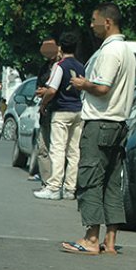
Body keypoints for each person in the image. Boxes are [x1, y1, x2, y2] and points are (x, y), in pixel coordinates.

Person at [60, 2, 136, 256]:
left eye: (94, 20)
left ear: (107, 22)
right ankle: (110, 241)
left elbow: (103, 88)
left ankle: (91, 238)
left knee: (90, 179)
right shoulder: (127, 51)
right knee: (112, 183)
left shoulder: (110, 52)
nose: (91, 25)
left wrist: (83, 84)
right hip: (118, 124)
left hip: (100, 122)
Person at [33, 32, 86, 200]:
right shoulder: (81, 66)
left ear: (60, 48)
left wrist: (43, 104)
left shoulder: (60, 66)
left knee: (57, 150)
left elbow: (52, 90)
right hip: (77, 111)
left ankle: (54, 187)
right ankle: (70, 188)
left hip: (61, 110)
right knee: (74, 151)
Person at [28, 37, 60, 182]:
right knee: (43, 149)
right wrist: (42, 93)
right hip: (45, 113)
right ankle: (46, 181)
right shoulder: (44, 68)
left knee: (58, 150)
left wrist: (47, 92)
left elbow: (61, 90)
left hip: (59, 112)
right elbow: (39, 87)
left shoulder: (63, 66)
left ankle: (57, 182)